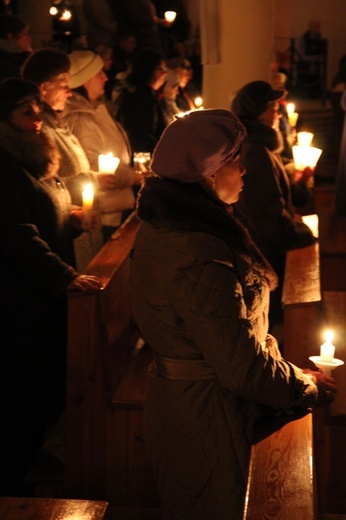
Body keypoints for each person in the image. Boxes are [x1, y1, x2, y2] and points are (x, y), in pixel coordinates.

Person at [129, 109, 337, 520]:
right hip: (207, 416)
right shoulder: (195, 252)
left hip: (200, 404)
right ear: (207, 174)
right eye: (234, 161)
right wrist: (304, 386)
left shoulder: (186, 228)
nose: (244, 171)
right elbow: (240, 366)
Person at [0, 78, 102, 496]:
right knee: (24, 392)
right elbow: (17, 234)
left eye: (38, 109)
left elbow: (40, 212)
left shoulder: (27, 156)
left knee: (41, 393)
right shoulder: (4, 166)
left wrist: (70, 218)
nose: (38, 117)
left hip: (41, 299)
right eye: (27, 111)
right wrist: (65, 276)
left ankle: (22, 463)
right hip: (19, 303)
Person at [21, 48, 120, 267]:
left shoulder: (55, 122)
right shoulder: (40, 128)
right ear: (44, 87)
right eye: (64, 83)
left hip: (79, 228)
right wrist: (91, 180)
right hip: (66, 235)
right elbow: (42, 186)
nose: (69, 90)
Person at [231, 81, 315, 331]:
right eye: (272, 106)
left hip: (266, 248)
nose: (278, 111)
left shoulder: (262, 144)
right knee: (268, 323)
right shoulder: (254, 150)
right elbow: (265, 212)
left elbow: (276, 193)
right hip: (263, 252)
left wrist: (298, 180)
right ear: (257, 110)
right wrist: (299, 234)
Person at [63, 50, 142, 240]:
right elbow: (95, 167)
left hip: (114, 208)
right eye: (99, 73)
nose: (106, 78)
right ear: (86, 79)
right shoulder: (82, 119)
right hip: (105, 213)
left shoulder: (96, 111)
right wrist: (134, 177)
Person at [113, 47, 167, 153]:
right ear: (148, 69)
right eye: (161, 69)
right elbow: (140, 136)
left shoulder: (147, 94)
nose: (165, 74)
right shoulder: (138, 98)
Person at [0, 13, 32, 81]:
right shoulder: (8, 65)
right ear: (10, 36)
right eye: (24, 34)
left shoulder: (16, 59)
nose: (29, 39)